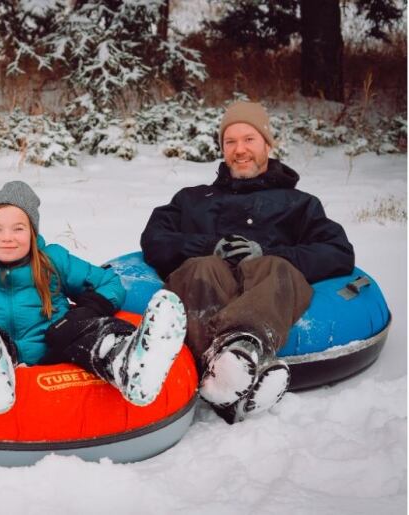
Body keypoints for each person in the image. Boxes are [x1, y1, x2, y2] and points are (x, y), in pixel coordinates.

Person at [0, 181, 187, 414]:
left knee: (79, 330)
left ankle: (127, 363)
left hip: (54, 345)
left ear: (33, 232)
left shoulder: (52, 260)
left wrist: (89, 309)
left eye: (19, 228)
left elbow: (109, 282)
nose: (7, 237)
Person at [141, 101, 354, 424]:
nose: (239, 150)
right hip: (207, 286)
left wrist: (269, 251)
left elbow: (337, 251)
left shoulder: (299, 204)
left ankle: (243, 350)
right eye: (230, 142)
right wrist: (208, 246)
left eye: (249, 139)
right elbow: (154, 240)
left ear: (268, 143)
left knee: (276, 267)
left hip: (266, 290)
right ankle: (230, 370)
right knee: (202, 267)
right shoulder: (192, 199)